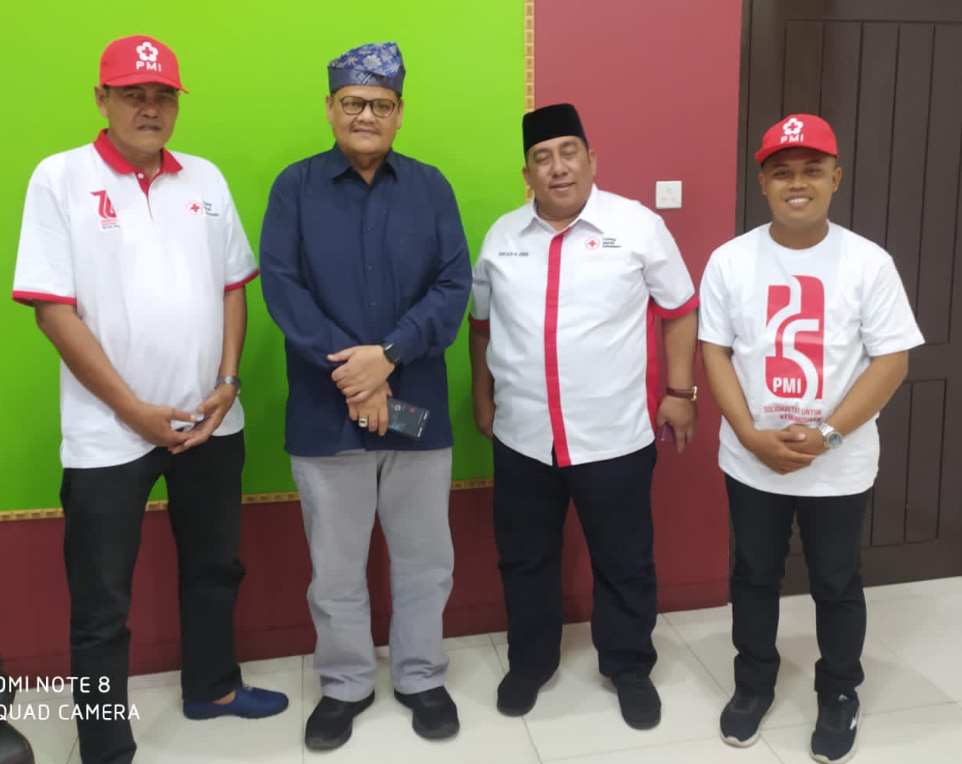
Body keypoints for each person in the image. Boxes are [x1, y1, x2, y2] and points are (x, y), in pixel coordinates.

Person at [10, 35, 288, 764]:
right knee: (101, 604)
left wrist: (228, 385)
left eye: (163, 95)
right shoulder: (60, 178)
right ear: (102, 99)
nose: (150, 108)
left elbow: (234, 287)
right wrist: (132, 410)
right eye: (133, 94)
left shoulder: (206, 180)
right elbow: (52, 311)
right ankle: (105, 745)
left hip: (209, 422)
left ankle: (213, 689)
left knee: (215, 567)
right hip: (109, 433)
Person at [260, 41, 472, 750]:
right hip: (326, 414)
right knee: (335, 567)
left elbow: (452, 286)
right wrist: (356, 377)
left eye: (381, 105)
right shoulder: (294, 188)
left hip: (417, 412)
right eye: (353, 102)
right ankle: (345, 683)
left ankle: (420, 676)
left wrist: (387, 357)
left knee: (425, 560)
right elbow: (283, 289)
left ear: (400, 113)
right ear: (330, 107)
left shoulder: (431, 188)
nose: (366, 116)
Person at [698, 114, 924, 764]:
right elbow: (714, 351)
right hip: (752, 460)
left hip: (838, 463)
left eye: (811, 171)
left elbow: (892, 361)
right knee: (753, 574)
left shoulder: (868, 262)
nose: (797, 183)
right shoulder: (730, 260)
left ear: (835, 178)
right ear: (763, 182)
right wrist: (750, 435)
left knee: (836, 579)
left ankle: (839, 692)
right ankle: (753, 684)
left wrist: (826, 435)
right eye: (782, 172)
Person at [469, 103, 699, 730]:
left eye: (568, 152)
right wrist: (482, 396)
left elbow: (679, 309)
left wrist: (680, 391)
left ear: (592, 159)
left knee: (624, 560)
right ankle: (530, 662)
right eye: (542, 158)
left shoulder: (638, 226)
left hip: (614, 437)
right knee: (524, 558)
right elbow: (481, 326)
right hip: (524, 438)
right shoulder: (502, 238)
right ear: (527, 174)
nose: (558, 167)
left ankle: (628, 667)